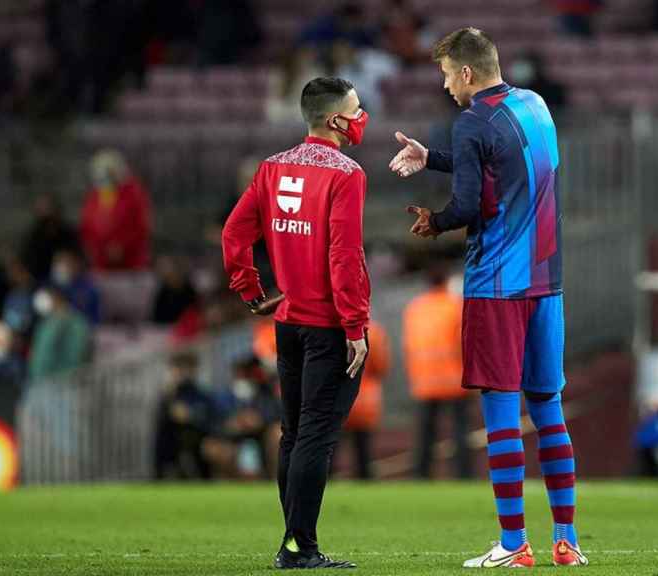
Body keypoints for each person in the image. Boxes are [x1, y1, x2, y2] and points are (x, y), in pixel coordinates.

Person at [390, 28, 586, 568]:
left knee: (500, 413)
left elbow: (470, 202)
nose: (447, 85)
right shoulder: (534, 105)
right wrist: (430, 156)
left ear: (468, 73)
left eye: (448, 75)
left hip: (497, 284)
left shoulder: (472, 119)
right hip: (547, 284)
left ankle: (514, 544)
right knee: (549, 410)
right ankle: (565, 540)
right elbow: (502, 163)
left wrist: (436, 223)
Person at [222, 76, 371, 569]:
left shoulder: (272, 168)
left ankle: (293, 542)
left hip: (286, 324)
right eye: (356, 108)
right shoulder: (346, 174)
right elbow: (343, 255)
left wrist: (251, 291)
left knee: (292, 434)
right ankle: (298, 547)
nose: (361, 115)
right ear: (335, 120)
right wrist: (355, 326)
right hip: (328, 324)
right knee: (315, 437)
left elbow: (233, 235)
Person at [404, 265, 471, 479]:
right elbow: (466, 342)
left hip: (424, 380)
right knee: (460, 432)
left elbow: (409, 344)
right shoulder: (455, 305)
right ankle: (463, 475)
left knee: (425, 434)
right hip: (454, 378)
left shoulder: (415, 308)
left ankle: (421, 476)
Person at [79, 149, 153, 272]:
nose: (105, 177)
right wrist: (97, 249)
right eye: (101, 172)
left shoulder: (134, 193)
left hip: (131, 262)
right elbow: (87, 227)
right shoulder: (94, 197)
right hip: (101, 262)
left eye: (109, 172)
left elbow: (141, 225)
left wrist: (122, 246)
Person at [339, 319, 390, 480]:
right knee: (363, 451)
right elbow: (381, 365)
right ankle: (365, 480)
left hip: (337, 396)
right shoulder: (374, 331)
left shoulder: (329, 330)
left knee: (329, 448)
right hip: (365, 397)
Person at [154, 351, 216, 479]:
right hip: (172, 442)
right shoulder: (168, 395)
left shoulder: (201, 395)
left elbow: (207, 419)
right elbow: (165, 417)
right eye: (178, 367)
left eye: (186, 367)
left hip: (198, 439)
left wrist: (190, 415)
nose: (182, 372)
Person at [27, 287, 91, 382]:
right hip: (38, 382)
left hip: (61, 383)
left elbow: (76, 358)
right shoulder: (45, 322)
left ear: (58, 298)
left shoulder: (76, 324)